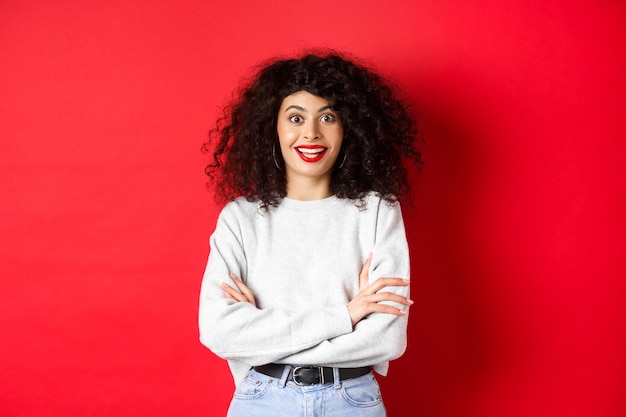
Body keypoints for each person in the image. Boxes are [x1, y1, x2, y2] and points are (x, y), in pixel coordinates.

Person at [198, 50, 423, 417]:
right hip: (262, 401)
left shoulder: (378, 210)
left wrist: (262, 336)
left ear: (347, 128)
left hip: (352, 401)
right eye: (296, 117)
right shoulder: (240, 219)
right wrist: (346, 315)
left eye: (328, 117)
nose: (311, 132)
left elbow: (387, 338)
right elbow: (218, 333)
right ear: (273, 127)